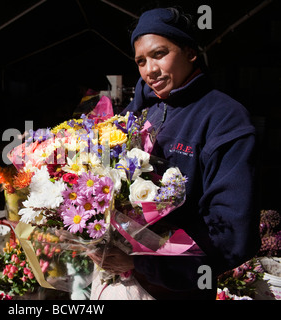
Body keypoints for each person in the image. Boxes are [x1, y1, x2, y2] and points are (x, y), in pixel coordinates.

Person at [89, 7, 260, 300]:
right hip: (115, 278)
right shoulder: (142, 111)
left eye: (159, 54)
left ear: (190, 52)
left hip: (175, 289)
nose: (149, 70)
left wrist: (143, 261)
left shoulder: (226, 119)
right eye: (141, 61)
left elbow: (232, 234)